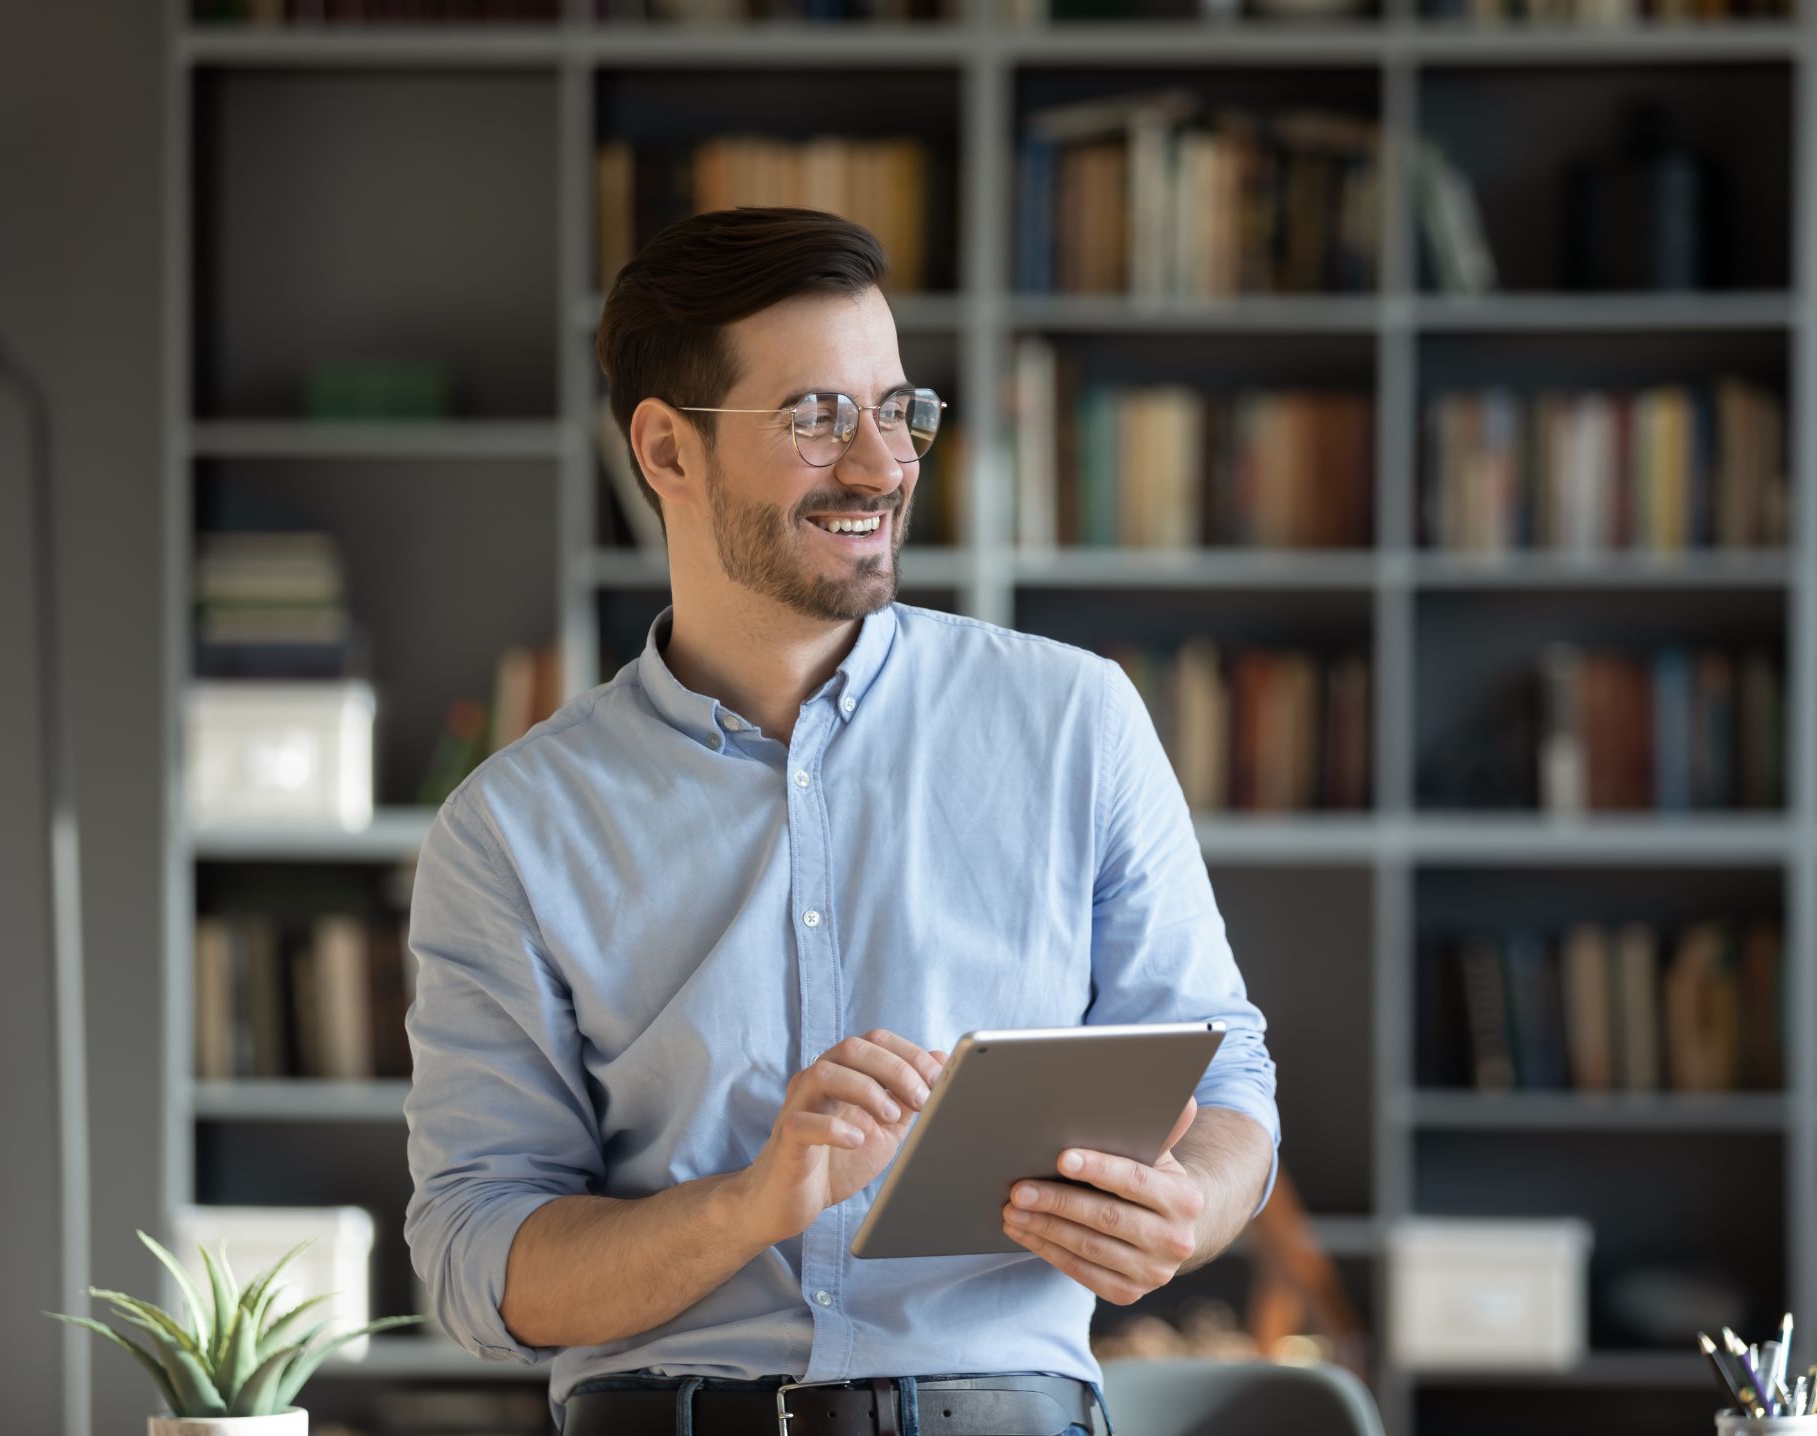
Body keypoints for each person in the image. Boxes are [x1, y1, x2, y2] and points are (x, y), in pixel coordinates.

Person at [403, 206, 1280, 1436]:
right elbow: (479, 1261)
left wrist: (1188, 1201)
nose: (880, 465)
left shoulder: (1074, 718)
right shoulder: (512, 826)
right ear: (666, 450)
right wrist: (752, 1201)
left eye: (897, 409)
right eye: (815, 418)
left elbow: (1226, 1072)